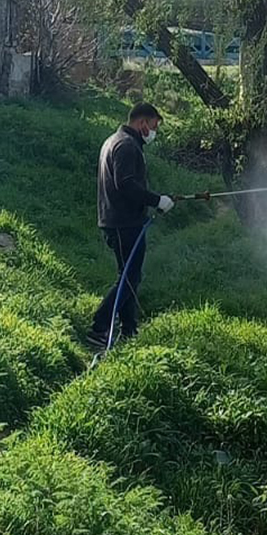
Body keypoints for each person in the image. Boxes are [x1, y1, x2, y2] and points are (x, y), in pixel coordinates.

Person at [86, 102, 175, 349]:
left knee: (128, 276)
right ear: (142, 123)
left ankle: (129, 330)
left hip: (118, 219)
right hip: (124, 222)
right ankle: (99, 327)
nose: (154, 132)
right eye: (154, 126)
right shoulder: (126, 146)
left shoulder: (115, 141)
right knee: (129, 278)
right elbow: (126, 184)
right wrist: (157, 200)